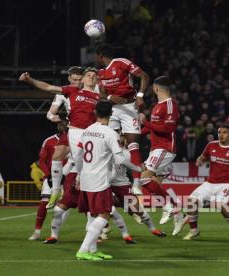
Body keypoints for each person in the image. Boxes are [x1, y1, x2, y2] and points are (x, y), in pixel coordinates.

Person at [19, 67, 98, 209]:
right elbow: (50, 108)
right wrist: (52, 116)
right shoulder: (67, 91)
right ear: (69, 79)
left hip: (91, 132)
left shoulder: (96, 91)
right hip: (73, 129)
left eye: (80, 79)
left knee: (79, 162)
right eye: (74, 80)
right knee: (57, 155)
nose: (77, 82)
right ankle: (55, 189)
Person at [74, 101, 142, 261]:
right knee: (104, 214)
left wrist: (79, 173)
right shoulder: (111, 133)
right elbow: (119, 158)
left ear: (95, 112)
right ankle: (83, 250)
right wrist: (138, 169)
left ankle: (93, 249)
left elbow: (77, 155)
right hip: (100, 179)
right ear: (111, 114)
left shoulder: (87, 130)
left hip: (85, 177)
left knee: (92, 215)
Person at [182, 126, 229, 242]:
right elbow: (203, 157)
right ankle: (194, 231)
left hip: (227, 184)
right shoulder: (211, 145)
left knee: (220, 205)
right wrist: (200, 161)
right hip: (210, 183)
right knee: (191, 201)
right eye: (219, 132)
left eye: (225, 132)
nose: (221, 135)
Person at [95, 44, 150, 192]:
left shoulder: (121, 62)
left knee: (133, 145)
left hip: (129, 107)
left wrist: (140, 96)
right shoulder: (100, 72)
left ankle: (137, 183)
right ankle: (110, 176)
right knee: (107, 143)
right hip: (111, 110)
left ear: (100, 56)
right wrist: (110, 96)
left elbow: (144, 76)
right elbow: (101, 93)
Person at [136, 76, 186, 234]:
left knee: (143, 177)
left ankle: (169, 206)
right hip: (156, 148)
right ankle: (178, 215)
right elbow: (152, 128)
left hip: (165, 149)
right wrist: (135, 134)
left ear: (156, 88)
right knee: (156, 183)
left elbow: (168, 129)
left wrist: (145, 123)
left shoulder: (170, 105)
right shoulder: (157, 106)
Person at [28, 120, 70, 240]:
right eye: (60, 124)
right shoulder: (49, 141)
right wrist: (47, 174)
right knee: (44, 203)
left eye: (64, 124)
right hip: (52, 177)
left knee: (67, 205)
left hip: (68, 177)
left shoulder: (74, 138)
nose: (62, 126)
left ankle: (55, 232)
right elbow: (41, 160)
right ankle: (37, 231)